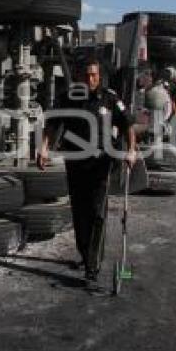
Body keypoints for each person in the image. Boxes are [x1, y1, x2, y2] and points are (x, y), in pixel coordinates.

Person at [37, 57, 136, 289]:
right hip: (76, 164)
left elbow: (128, 124)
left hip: (101, 164)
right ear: (80, 77)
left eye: (94, 75)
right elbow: (52, 123)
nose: (90, 79)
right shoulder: (69, 97)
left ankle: (93, 266)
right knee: (80, 214)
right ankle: (86, 255)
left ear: (99, 76)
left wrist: (131, 150)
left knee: (97, 213)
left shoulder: (110, 98)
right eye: (86, 75)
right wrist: (43, 147)